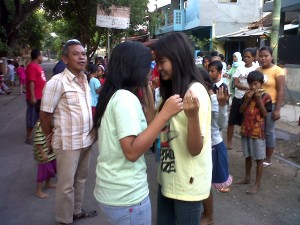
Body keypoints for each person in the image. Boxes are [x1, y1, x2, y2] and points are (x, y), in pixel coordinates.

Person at [93, 41, 183, 225]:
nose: (152, 69)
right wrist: (165, 113)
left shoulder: (115, 94)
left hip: (114, 194)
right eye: (149, 64)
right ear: (135, 66)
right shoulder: (125, 99)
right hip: (127, 198)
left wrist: (147, 88)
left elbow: (148, 126)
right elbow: (132, 152)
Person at [153, 32, 212, 225]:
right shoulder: (170, 92)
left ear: (177, 58)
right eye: (157, 62)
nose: (158, 68)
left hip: (187, 183)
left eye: (162, 61)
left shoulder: (195, 93)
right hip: (168, 178)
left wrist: (193, 117)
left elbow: (195, 149)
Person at [40, 39, 97, 225]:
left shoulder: (85, 80)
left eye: (83, 53)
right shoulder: (57, 82)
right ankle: (64, 219)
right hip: (67, 143)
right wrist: (50, 137)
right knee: (65, 186)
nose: (81, 57)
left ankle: (76, 211)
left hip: (86, 140)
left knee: (81, 179)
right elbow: (45, 113)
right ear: (65, 59)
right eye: (75, 54)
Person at [200, 67, 232, 225]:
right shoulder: (199, 97)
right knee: (202, 183)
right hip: (204, 146)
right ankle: (205, 213)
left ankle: (209, 216)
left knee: (206, 184)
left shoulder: (212, 99)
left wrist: (222, 106)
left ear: (205, 84)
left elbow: (220, 125)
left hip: (213, 146)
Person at [236, 70, 272, 194]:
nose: (253, 87)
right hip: (246, 130)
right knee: (247, 156)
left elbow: (265, 114)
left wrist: (257, 99)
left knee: (259, 158)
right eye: (251, 84)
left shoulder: (266, 96)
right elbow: (240, 111)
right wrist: (247, 99)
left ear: (261, 84)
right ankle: (247, 178)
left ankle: (257, 184)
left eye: (256, 84)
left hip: (258, 133)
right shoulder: (246, 95)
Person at [257, 46, 285, 167]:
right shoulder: (258, 70)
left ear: (271, 56)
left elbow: (281, 91)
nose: (263, 58)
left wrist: (277, 109)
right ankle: (260, 154)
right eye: (261, 56)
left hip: (271, 105)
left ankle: (268, 158)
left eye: (266, 56)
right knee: (259, 131)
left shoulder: (278, 71)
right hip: (259, 104)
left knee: (269, 131)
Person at [226, 48, 258, 150]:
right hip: (238, 97)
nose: (246, 58)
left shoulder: (257, 69)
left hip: (249, 99)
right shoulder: (240, 68)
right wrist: (248, 88)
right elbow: (235, 83)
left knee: (245, 122)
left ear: (253, 57)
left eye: (249, 57)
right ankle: (229, 142)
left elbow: (258, 83)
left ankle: (243, 145)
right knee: (231, 121)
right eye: (245, 56)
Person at [25, 49, 46, 144]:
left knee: (42, 117)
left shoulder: (38, 66)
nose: (42, 57)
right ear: (38, 56)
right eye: (41, 55)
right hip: (35, 98)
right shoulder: (32, 66)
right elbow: (31, 82)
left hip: (40, 97)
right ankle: (28, 138)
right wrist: (33, 97)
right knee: (32, 117)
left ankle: (41, 135)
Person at [33, 119, 56, 199]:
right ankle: (38, 190)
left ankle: (48, 183)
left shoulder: (49, 122)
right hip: (44, 153)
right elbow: (38, 142)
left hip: (50, 151)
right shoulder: (40, 124)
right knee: (42, 171)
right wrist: (43, 154)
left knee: (51, 168)